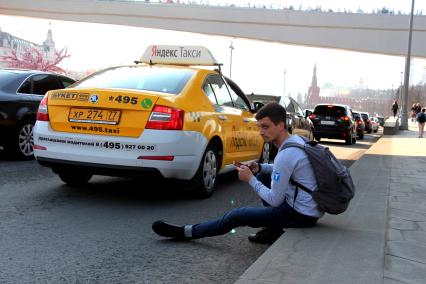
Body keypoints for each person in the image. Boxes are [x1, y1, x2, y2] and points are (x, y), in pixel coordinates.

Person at [152, 102, 324, 244]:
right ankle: (273, 230)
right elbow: (287, 170)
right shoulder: (297, 141)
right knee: (263, 175)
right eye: (259, 127)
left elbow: (274, 199)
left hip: (300, 215)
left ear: (280, 125)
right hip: (310, 208)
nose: (261, 132)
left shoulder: (286, 154)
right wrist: (260, 167)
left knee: (237, 216)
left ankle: (187, 232)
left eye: (265, 127)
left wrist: (250, 179)